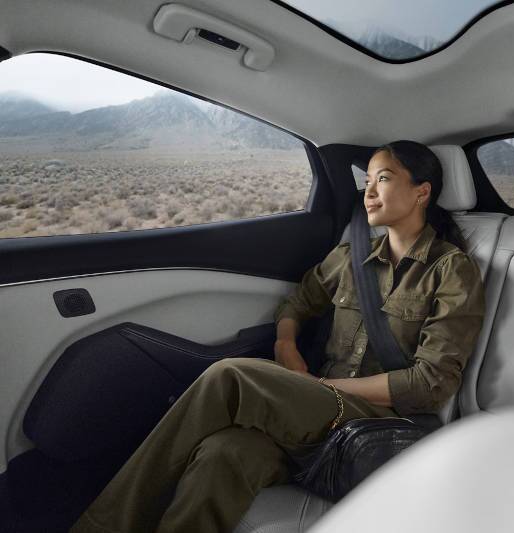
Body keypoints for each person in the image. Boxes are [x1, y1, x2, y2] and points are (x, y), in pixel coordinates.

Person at [70, 140, 486, 533]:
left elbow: (432, 383)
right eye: (367, 181)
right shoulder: (350, 257)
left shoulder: (451, 270)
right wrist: (286, 345)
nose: (370, 192)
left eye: (384, 178)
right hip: (319, 410)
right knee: (224, 453)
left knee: (229, 376)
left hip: (379, 422)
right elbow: (297, 304)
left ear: (422, 192)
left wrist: (318, 386)